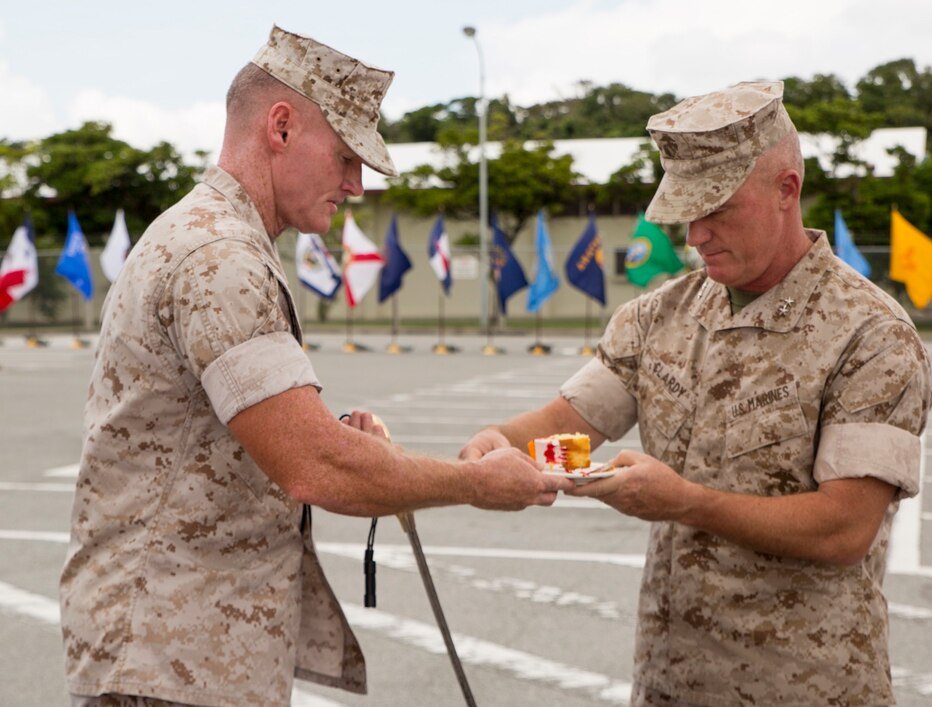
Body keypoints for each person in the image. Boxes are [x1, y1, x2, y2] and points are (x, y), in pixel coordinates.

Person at [59, 26, 573, 707]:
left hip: (182, 654)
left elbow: (229, 438)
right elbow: (316, 465)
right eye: (346, 157)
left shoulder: (216, 236)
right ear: (281, 127)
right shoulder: (220, 256)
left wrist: (327, 434)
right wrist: (477, 482)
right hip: (173, 663)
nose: (356, 185)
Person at [460, 81, 931, 706]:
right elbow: (570, 425)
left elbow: (844, 529)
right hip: (671, 682)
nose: (696, 235)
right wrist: (498, 448)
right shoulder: (658, 316)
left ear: (786, 190)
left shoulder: (871, 335)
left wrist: (685, 502)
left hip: (808, 689)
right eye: (685, 212)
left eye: (718, 209)